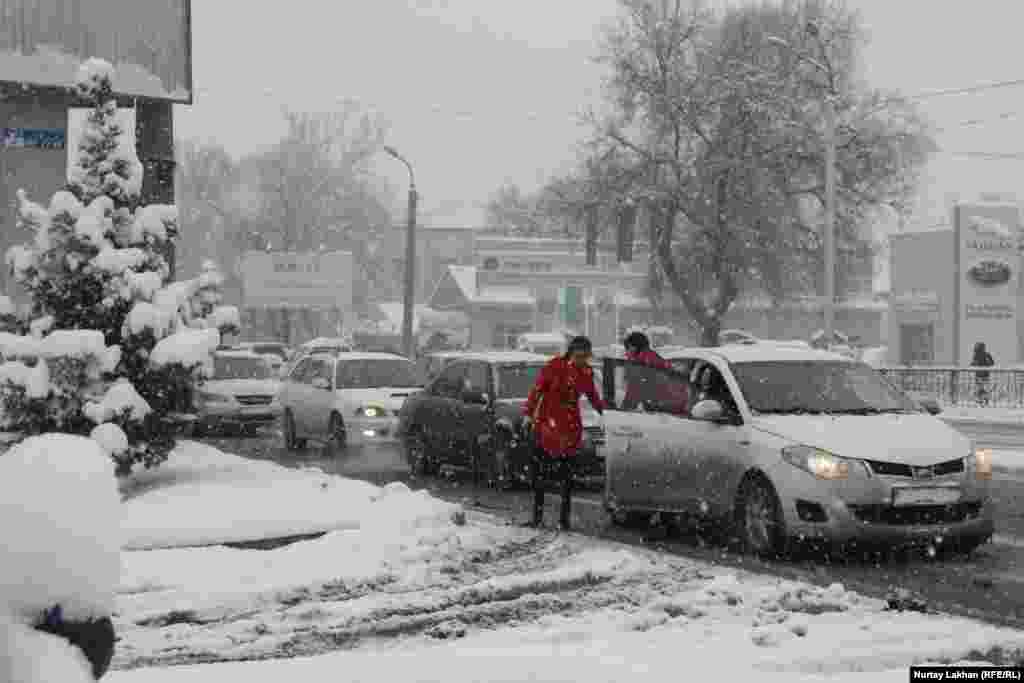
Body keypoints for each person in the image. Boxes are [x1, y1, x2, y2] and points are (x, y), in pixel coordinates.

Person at [522, 336, 605, 530]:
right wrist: (527, 413)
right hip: (548, 425)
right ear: (571, 353)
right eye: (579, 355)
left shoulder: (586, 372)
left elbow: (593, 397)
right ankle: (537, 517)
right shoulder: (555, 365)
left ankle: (564, 520)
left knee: (567, 478)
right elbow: (537, 390)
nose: (582, 360)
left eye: (586, 356)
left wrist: (608, 413)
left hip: (569, 427)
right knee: (540, 475)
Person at [622, 331, 687, 414]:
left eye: (628, 348)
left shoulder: (642, 363)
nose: (626, 352)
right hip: (674, 408)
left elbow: (634, 391)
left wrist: (623, 410)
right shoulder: (654, 358)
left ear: (634, 347)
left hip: (665, 410)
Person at [972, 342, 995, 406]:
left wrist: (986, 365)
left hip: (983, 375)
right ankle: (981, 400)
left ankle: (983, 400)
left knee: (982, 388)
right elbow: (973, 364)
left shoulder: (986, 355)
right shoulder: (977, 355)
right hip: (980, 375)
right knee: (980, 388)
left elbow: (992, 363)